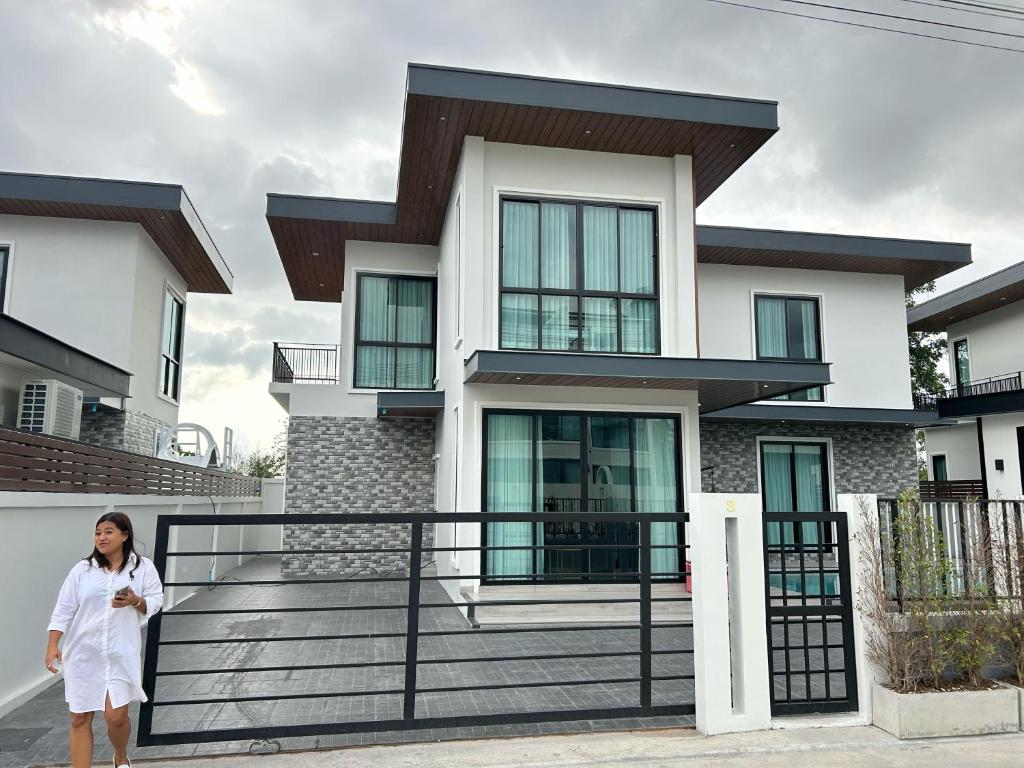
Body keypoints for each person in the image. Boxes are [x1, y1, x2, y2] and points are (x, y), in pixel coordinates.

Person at [45, 512, 164, 768]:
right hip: (83, 654)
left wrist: (136, 601)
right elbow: (63, 609)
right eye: (98, 532)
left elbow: (156, 599)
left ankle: (120, 756)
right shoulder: (82, 570)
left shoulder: (142, 568)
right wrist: (53, 644)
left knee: (116, 716)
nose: (102, 537)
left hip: (120, 653)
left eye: (108, 531)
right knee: (79, 718)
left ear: (124, 535)